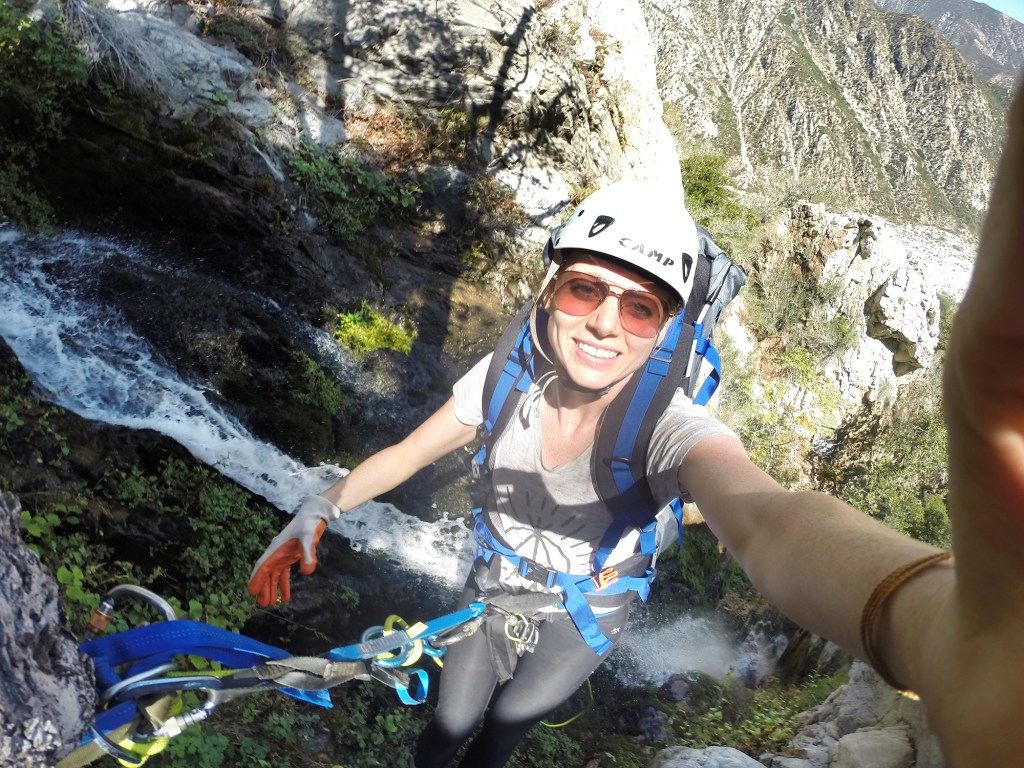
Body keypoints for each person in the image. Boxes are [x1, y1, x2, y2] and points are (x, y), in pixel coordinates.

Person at [249, 85, 1024, 767]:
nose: (604, 323)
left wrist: (931, 622)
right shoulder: (503, 378)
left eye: (640, 306)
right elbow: (408, 454)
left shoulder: (668, 426)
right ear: (550, 294)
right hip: (490, 587)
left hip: (587, 613)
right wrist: (323, 505)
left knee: (504, 732)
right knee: (448, 722)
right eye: (586, 290)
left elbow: (769, 525)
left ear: (663, 332)